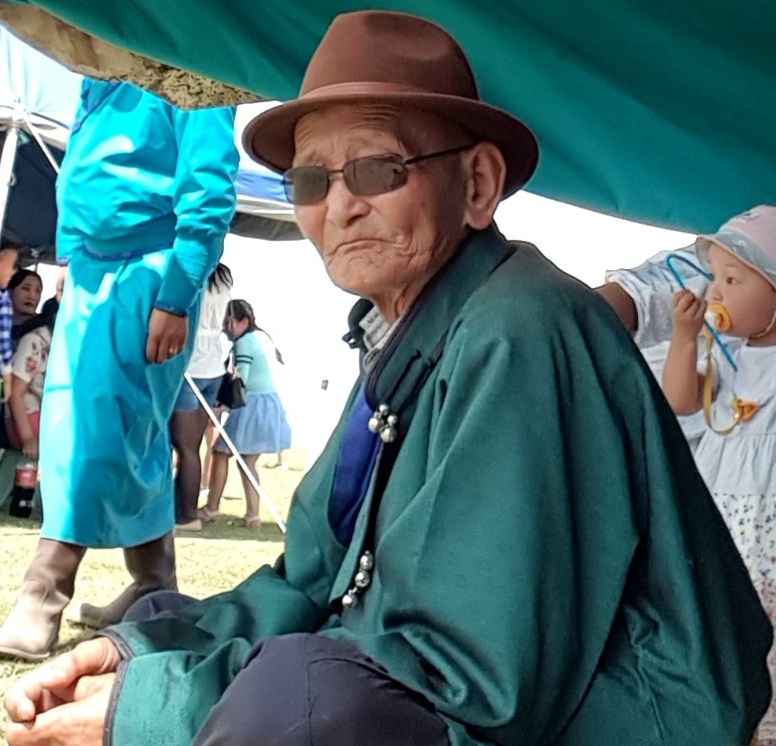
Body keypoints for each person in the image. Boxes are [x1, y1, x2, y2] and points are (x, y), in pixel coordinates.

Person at [3, 11, 771, 746]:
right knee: (175, 620)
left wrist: (145, 719)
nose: (339, 206)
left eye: (377, 168)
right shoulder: (403, 335)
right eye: (311, 181)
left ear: (477, 184)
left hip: (616, 720)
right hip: (483, 688)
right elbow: (310, 574)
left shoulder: (521, 326)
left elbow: (462, 669)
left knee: (306, 696)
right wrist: (141, 657)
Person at [0, 78, 239, 653]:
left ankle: (46, 586)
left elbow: (209, 184)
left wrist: (177, 291)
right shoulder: (101, 61)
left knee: (94, 426)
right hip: (89, 272)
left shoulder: (194, 57)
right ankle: (155, 584)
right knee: (115, 427)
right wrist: (72, 258)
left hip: (149, 273)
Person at [660, 205, 776, 744]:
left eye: (734, 280)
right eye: (715, 279)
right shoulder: (726, 355)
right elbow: (680, 405)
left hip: (767, 525)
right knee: (725, 624)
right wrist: (685, 339)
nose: (716, 293)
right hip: (724, 524)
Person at [199, 299, 291, 528]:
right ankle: (252, 515)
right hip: (266, 403)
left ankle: (213, 508)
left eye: (229, 322)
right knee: (247, 462)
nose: (225, 328)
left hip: (253, 406)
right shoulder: (259, 338)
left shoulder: (244, 343)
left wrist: (224, 404)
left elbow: (243, 380)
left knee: (222, 454)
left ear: (244, 322)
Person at [170, 262, 233, 532]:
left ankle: (187, 516)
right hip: (213, 367)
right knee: (191, 447)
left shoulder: (192, 271)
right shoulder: (225, 276)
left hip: (191, 365)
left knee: (183, 447)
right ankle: (182, 512)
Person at [6, 299, 55, 461]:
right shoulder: (35, 341)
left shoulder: (55, 342)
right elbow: (14, 391)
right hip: (28, 420)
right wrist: (28, 438)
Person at [0, 244, 20, 402]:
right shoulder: (3, 298)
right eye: (11, 266)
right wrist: (7, 377)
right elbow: (4, 340)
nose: (13, 272)